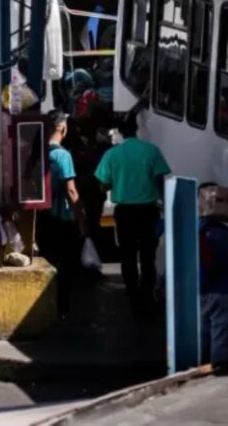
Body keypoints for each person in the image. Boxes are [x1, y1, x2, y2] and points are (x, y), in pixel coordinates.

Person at [95, 116, 170, 317]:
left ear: (119, 132)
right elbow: (161, 179)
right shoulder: (151, 151)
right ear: (137, 129)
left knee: (127, 256)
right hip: (148, 211)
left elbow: (103, 184)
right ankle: (147, 298)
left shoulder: (112, 154)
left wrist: (118, 183)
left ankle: (133, 299)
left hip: (125, 212)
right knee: (148, 257)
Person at [38, 109, 85, 315]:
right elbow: (71, 190)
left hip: (41, 216)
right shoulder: (62, 155)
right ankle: (61, 308)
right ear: (63, 128)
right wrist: (82, 219)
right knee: (65, 265)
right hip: (62, 219)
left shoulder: (36, 151)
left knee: (48, 260)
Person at [198, 183, 228, 367]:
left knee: (203, 335)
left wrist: (161, 285)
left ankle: (200, 372)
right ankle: (217, 373)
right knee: (221, 336)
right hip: (222, 292)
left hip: (200, 291)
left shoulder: (193, 228)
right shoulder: (219, 233)